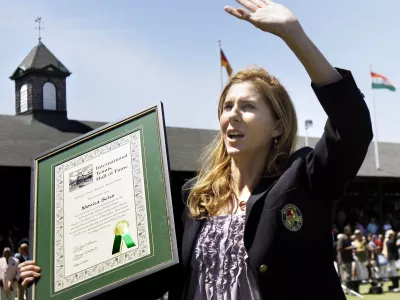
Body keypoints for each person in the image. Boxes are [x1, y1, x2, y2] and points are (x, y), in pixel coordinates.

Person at [18, 1, 373, 299]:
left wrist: (294, 36)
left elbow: (352, 127)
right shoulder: (194, 200)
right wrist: (50, 280)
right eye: (227, 106)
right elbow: (142, 280)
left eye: (247, 107)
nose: (233, 115)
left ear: (277, 125)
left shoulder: (304, 180)